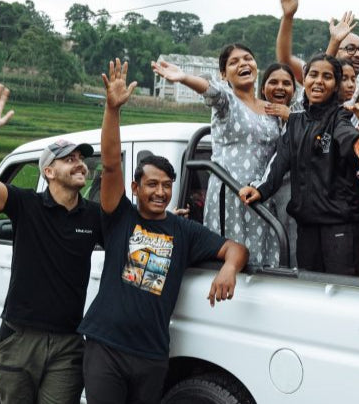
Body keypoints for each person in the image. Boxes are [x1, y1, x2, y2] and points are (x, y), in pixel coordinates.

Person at [79, 59, 248, 404]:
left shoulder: (183, 230)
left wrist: (230, 268)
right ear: (135, 187)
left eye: (166, 185)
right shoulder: (119, 217)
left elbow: (236, 248)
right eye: (151, 184)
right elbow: (110, 163)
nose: (160, 192)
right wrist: (112, 109)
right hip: (105, 347)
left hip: (152, 354)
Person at [0, 84, 102, 404]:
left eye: (81, 158)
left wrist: (170, 221)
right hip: (19, 338)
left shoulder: (93, 216)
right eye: (69, 159)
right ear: (49, 171)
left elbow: (130, 233)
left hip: (68, 343)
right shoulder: (26, 205)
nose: (80, 163)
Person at [239, 54, 359, 276]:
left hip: (341, 226)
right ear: (304, 80)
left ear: (335, 85)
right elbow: (279, 162)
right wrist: (259, 189)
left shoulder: (340, 117)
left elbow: (346, 135)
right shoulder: (295, 122)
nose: (318, 81)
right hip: (306, 228)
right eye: (313, 75)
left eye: (327, 77)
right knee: (308, 289)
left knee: (341, 290)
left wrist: (357, 142)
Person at [152, 44, 282, 268]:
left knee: (263, 264)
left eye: (248, 58)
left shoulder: (272, 109)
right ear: (224, 75)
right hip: (231, 194)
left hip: (263, 195)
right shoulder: (227, 100)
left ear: (256, 66)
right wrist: (184, 78)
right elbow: (211, 92)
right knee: (233, 260)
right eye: (234, 62)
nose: (243, 63)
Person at [259, 62, 299, 266]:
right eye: (273, 82)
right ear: (263, 86)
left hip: (290, 191)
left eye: (286, 83)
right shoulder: (254, 116)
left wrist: (290, 117)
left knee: (291, 246)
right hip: (258, 189)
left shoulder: (300, 113)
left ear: (294, 89)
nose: (280, 87)